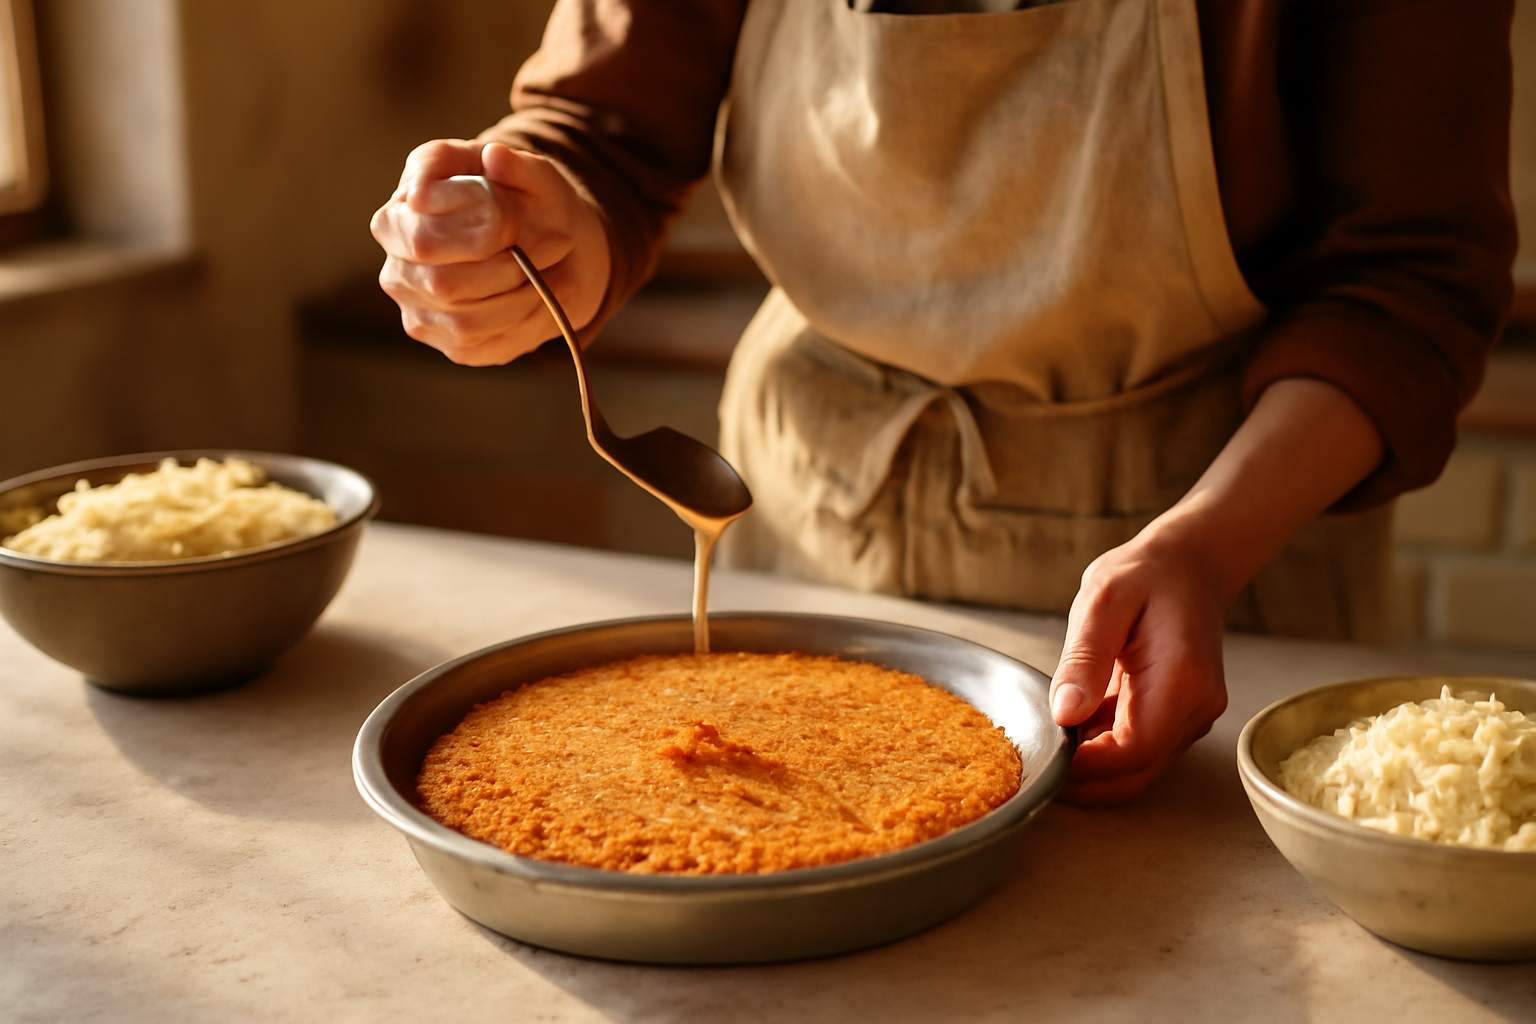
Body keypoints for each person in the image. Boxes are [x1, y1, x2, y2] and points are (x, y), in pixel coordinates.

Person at [369, 0, 1516, 805]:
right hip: (816, 495)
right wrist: (524, 226)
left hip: (1210, 529)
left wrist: (1207, 547)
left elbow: (1406, 277)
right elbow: (602, 133)